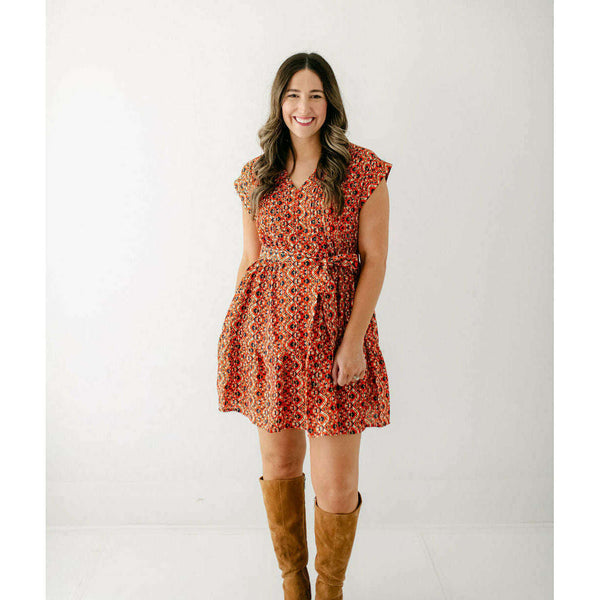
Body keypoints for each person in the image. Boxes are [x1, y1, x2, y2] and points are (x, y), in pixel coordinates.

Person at [217, 52, 392, 599]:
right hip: (269, 339)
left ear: (330, 102)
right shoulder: (257, 176)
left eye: (315, 95)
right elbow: (252, 261)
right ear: (279, 102)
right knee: (280, 465)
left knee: (337, 487)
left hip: (337, 338)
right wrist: (237, 335)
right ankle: (293, 586)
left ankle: (330, 590)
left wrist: (353, 341)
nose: (304, 106)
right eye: (293, 95)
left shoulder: (361, 171)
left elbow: (374, 261)